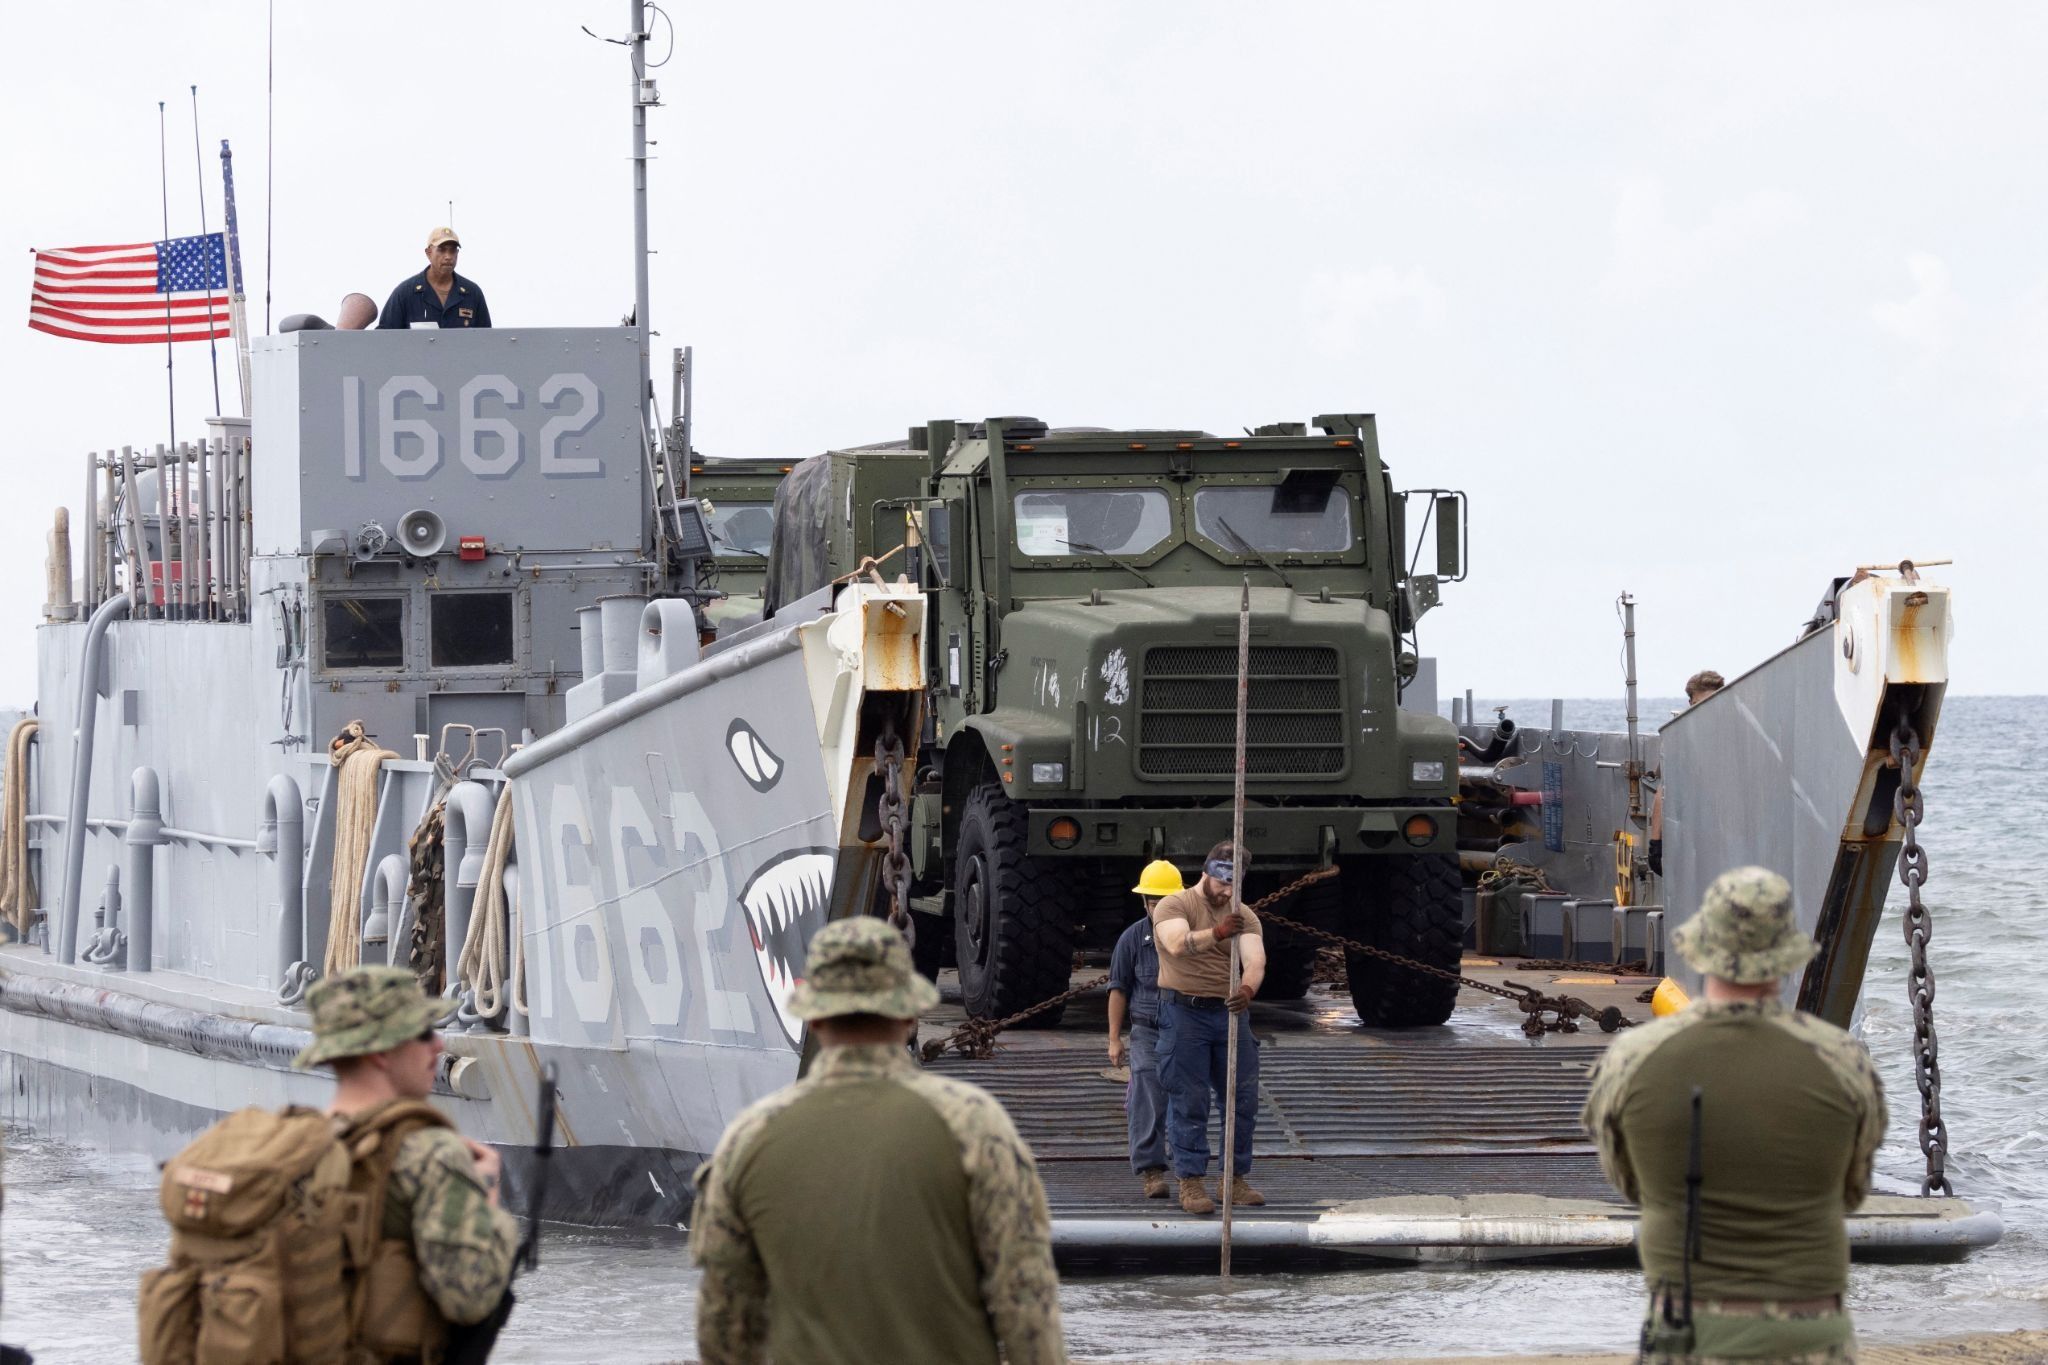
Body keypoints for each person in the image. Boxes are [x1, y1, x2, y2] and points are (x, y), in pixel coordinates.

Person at [691, 917, 1067, 1365]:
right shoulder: (974, 1126)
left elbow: (724, 1326)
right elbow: (1025, 1301)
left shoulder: (749, 1140)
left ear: (811, 1017)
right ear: (909, 1015)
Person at [1582, 867, 1886, 1363]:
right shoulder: (1842, 1060)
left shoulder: (1632, 1059)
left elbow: (1632, 1185)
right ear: (1786, 956)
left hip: (1689, 1334)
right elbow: (1850, 1191)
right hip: (1810, 1339)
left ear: (1701, 948)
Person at [139, 967, 518, 1362]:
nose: (437, 1045)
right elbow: (471, 1296)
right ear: (380, 1052)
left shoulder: (289, 1151)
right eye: (421, 1034)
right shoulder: (428, 1153)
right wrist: (487, 1198)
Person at [1150, 840, 1266, 1216]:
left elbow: (1255, 960)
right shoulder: (1175, 904)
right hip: (1184, 1012)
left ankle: (1232, 1178)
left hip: (1229, 1013)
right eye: (1224, 882)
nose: (1229, 892)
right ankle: (1191, 1180)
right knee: (1189, 1099)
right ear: (1207, 873)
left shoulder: (1243, 915)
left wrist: (1247, 988)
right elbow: (1175, 944)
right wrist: (1216, 933)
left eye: (1237, 885)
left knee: (1242, 1098)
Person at [1109, 860, 1181, 1200]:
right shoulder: (1132, 940)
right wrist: (1113, 1039)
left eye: (1166, 902)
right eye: (1154, 902)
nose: (1160, 909)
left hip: (1185, 1030)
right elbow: (1118, 989)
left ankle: (1188, 1168)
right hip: (1147, 1032)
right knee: (1148, 1093)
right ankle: (1152, 1171)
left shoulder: (1191, 937)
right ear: (1144, 903)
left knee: (1187, 1098)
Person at [1649, 670, 1726, 878]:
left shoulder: (1731, 735)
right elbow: (1663, 791)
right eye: (1702, 703)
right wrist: (1655, 843)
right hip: (1692, 831)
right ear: (1692, 703)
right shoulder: (1680, 738)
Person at [378, 227, 492, 329]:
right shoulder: (406, 293)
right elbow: (384, 337)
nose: (448, 256)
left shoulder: (472, 293)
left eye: (452, 251)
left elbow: (487, 341)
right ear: (428, 253)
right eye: (442, 249)